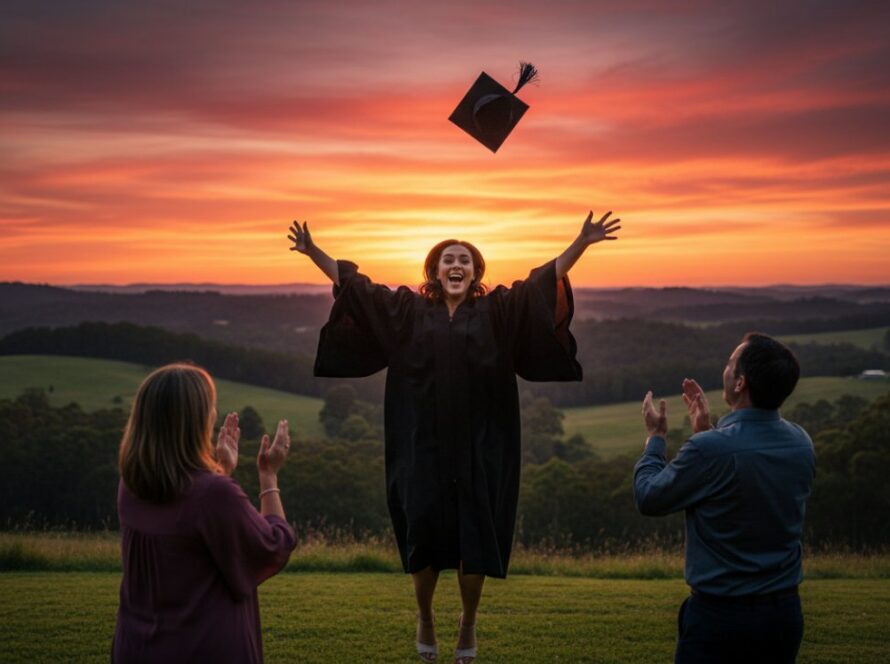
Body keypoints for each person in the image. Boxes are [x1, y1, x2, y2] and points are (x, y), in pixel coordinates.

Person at [288, 210, 620, 662]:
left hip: (482, 447)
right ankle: (424, 615)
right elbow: (358, 290)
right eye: (448, 259)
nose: (456, 265)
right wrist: (313, 252)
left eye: (464, 259)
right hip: (419, 445)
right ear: (434, 271)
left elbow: (541, 283)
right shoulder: (407, 312)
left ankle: (467, 623)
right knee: (422, 533)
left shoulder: (498, 312)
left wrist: (580, 243)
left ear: (476, 272)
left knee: (475, 538)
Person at [634, 333, 816, 664]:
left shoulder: (712, 450)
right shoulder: (801, 442)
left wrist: (656, 439)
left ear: (739, 383)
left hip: (720, 620)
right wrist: (705, 432)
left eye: (731, 363)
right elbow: (742, 489)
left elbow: (649, 497)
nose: (725, 368)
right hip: (784, 616)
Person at [112, 363, 296, 663]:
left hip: (137, 647)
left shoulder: (131, 486)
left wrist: (221, 470)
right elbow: (272, 546)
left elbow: (185, 529)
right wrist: (268, 475)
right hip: (202, 648)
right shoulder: (213, 495)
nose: (213, 414)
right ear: (193, 420)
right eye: (210, 407)